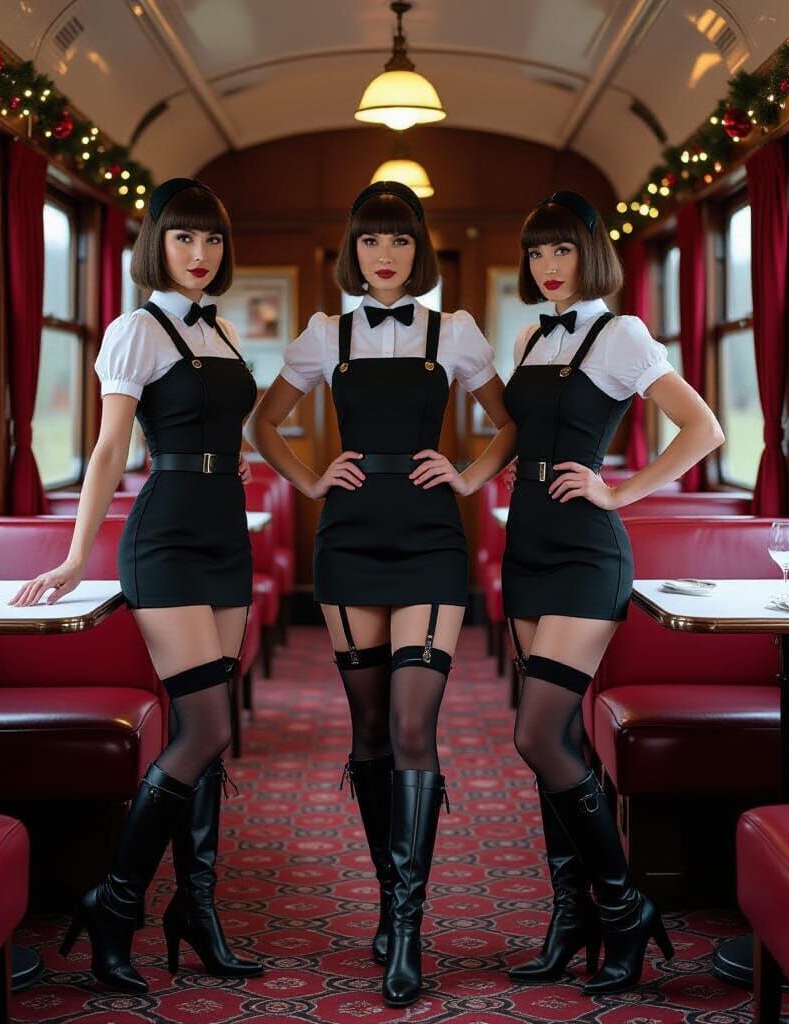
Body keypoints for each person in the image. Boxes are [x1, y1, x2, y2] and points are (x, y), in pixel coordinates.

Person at [247, 181, 515, 1007]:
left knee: (409, 723)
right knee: (366, 732)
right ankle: (384, 891)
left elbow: (507, 425)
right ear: (353, 253)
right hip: (350, 542)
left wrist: (468, 476)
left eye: (398, 240)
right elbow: (263, 423)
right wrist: (310, 478)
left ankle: (406, 922)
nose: (385, 255)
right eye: (370, 241)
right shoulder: (327, 334)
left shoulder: (456, 331)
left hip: (434, 540)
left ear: (418, 249)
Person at [11, 178, 263, 991]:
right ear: (156, 243)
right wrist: (79, 554)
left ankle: (196, 908)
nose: (200, 255)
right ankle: (116, 902)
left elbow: (224, 426)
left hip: (226, 533)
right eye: (184, 239)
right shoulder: (134, 330)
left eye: (213, 241)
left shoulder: (222, 326)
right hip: (165, 540)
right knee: (206, 728)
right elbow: (110, 449)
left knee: (211, 733)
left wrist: (236, 453)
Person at [503, 190, 724, 993]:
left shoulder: (621, 334)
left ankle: (626, 907)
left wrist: (619, 493)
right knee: (552, 745)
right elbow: (515, 433)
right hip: (525, 548)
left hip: (585, 554)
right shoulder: (530, 333)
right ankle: (574, 913)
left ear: (590, 256)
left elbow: (704, 429)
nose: (547, 268)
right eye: (536, 254)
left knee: (539, 735)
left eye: (561, 252)